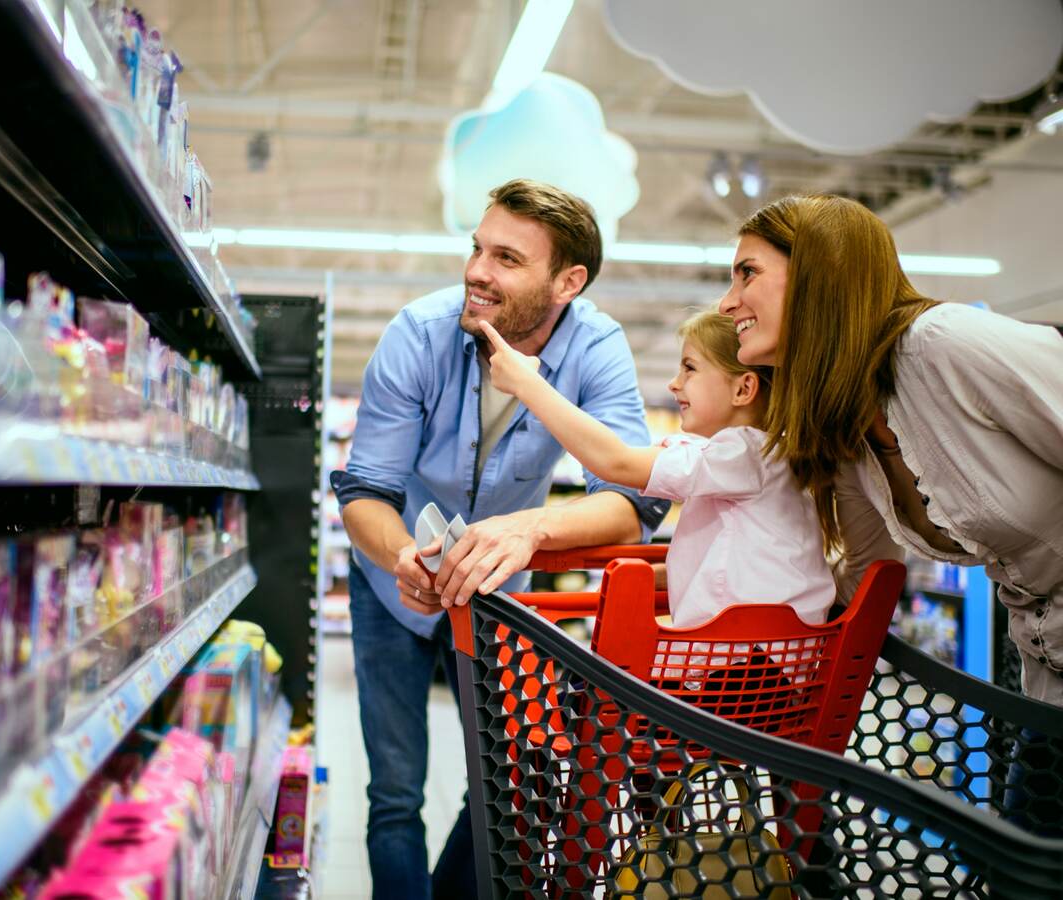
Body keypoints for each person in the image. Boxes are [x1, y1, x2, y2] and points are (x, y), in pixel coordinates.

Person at [330, 178, 668, 899]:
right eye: (477, 248)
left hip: (496, 595)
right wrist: (397, 555)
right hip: (390, 585)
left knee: (503, 787)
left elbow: (634, 503)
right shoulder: (418, 335)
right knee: (395, 792)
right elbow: (366, 490)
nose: (478, 271)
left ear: (567, 282)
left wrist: (531, 526)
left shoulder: (595, 350)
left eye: (507, 258)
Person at [716, 193, 1063, 707]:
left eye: (748, 273)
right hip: (1045, 678)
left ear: (821, 274)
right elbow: (862, 575)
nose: (727, 302)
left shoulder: (943, 343)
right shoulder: (849, 429)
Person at [480, 308, 835, 630]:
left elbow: (615, 462)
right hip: (766, 658)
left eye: (690, 368)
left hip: (746, 665)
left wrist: (527, 386)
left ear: (744, 388)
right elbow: (729, 564)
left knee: (598, 688)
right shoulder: (759, 458)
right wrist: (652, 577)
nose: (673, 383)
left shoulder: (745, 452)